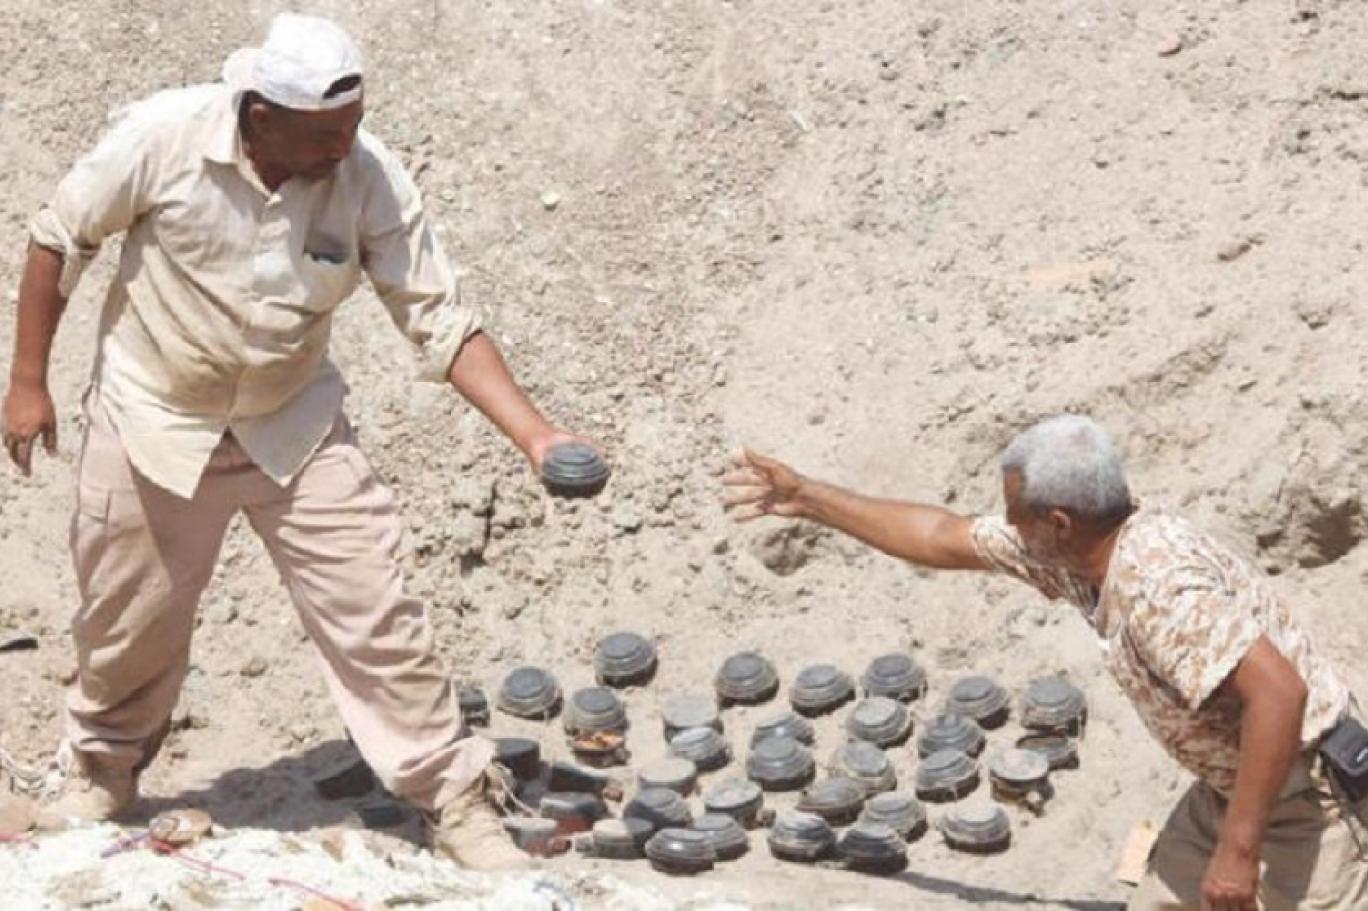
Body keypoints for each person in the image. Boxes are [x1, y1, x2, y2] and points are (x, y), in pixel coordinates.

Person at [0, 13, 586, 871]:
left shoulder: (367, 174)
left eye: (353, 127)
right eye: (325, 134)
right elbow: (59, 239)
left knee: (374, 612)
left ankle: (456, 801)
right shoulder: (162, 139)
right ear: (260, 113)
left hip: (293, 425)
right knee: (128, 623)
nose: (345, 148)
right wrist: (27, 383)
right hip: (155, 418)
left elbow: (439, 317)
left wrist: (536, 436)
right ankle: (100, 773)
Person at [724, 414, 1368, 910]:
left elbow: (1279, 695)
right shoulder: (1083, 550)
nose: (1006, 527)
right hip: (1236, 785)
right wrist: (808, 497)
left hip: (1303, 799)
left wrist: (1238, 851)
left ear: (1058, 522)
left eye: (1015, 515)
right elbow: (943, 536)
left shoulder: (1158, 588)